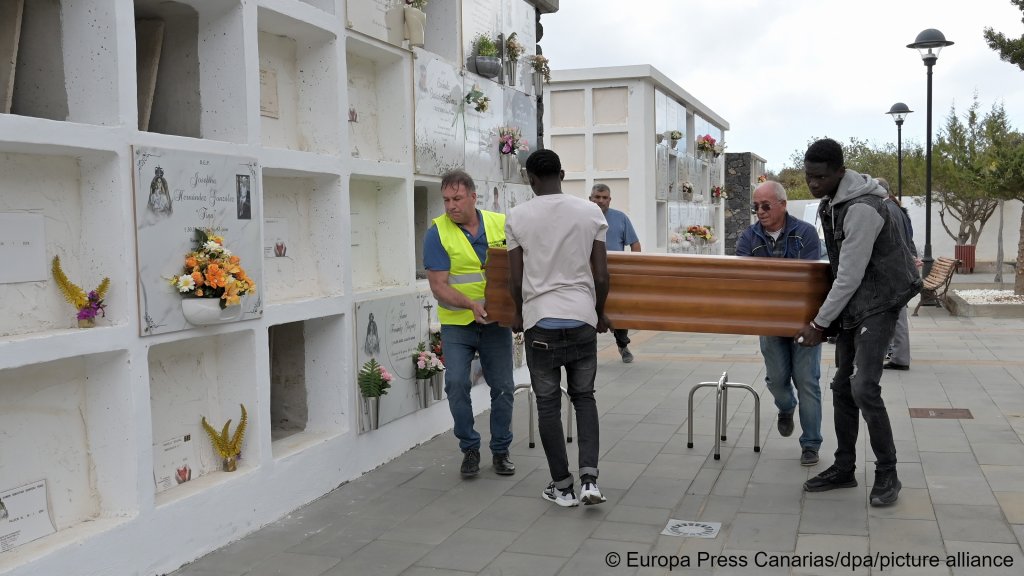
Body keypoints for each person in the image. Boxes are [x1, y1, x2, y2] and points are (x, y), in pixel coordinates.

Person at [795, 138, 921, 507]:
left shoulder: (863, 208)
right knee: (841, 386)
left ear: (839, 171)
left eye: (820, 177)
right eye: (808, 176)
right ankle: (844, 467)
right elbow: (841, 269)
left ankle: (888, 473)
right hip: (857, 302)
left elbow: (849, 274)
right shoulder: (833, 202)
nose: (813, 183)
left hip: (881, 300)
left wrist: (819, 324)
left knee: (864, 387)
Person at [507, 149, 610, 507]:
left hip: (541, 322)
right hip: (581, 319)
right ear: (562, 174)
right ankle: (590, 482)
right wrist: (600, 313)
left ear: (530, 179)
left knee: (548, 406)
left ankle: (562, 487)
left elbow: (514, 278)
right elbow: (601, 275)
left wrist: (519, 314)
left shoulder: (518, 216)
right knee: (585, 398)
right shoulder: (591, 211)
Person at [423, 169, 515, 478]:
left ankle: (500, 451)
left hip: (496, 322)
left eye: (457, 198)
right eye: (446, 200)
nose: (451, 206)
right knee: (456, 384)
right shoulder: (437, 233)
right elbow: (438, 286)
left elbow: (521, 266)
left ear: (474, 197)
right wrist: (471, 305)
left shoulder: (500, 223)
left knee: (503, 388)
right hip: (458, 324)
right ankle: (470, 448)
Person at [735, 180, 823, 466]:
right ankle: (786, 407)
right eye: (756, 207)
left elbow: (808, 278)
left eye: (765, 206)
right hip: (769, 321)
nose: (759, 212)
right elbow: (744, 279)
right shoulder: (749, 237)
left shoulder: (806, 233)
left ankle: (811, 444)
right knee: (776, 380)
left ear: (783, 205)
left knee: (807, 381)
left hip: (804, 322)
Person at [589, 183, 640, 363]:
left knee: (619, 311)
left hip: (615, 275)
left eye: (604, 198)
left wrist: (633, 268)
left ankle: (622, 344)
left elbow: (635, 244)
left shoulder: (620, 218)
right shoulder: (581, 217)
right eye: (597, 197)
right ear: (590, 199)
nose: (601, 201)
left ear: (610, 200)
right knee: (588, 312)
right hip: (588, 274)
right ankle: (589, 351)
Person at [877, 177, 919, 371]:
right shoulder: (897, 209)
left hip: (892, 270)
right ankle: (896, 354)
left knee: (896, 314)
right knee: (896, 313)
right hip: (900, 268)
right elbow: (908, 238)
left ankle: (900, 357)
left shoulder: (886, 210)